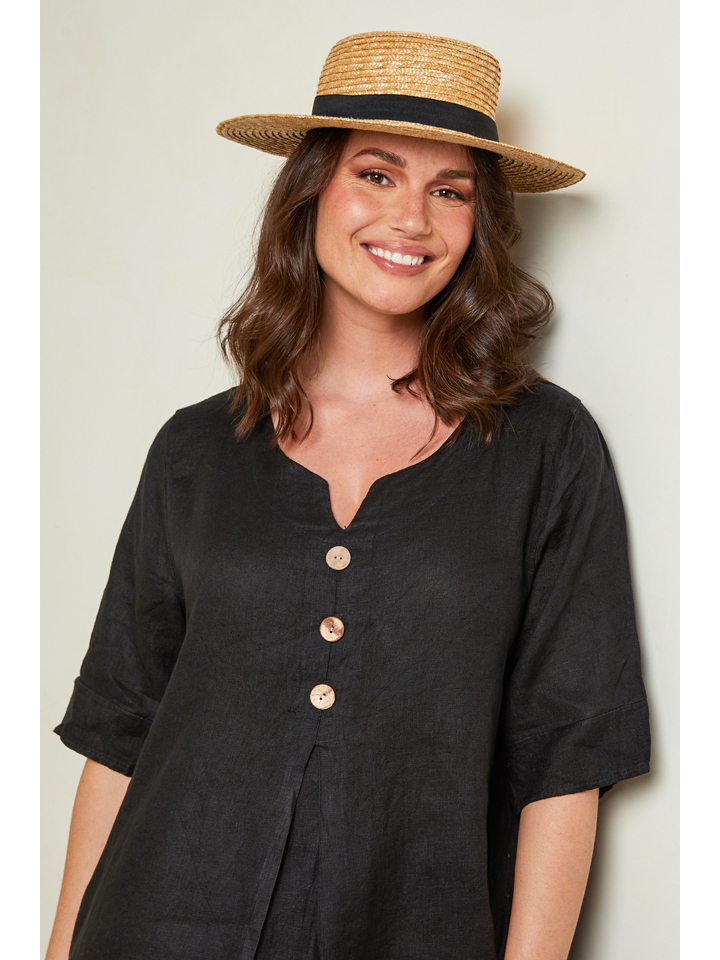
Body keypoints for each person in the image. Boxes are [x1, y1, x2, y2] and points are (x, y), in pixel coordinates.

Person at [46, 31, 650, 960]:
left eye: (449, 191)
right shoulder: (196, 451)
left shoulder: (544, 447)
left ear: (479, 224)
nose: (411, 218)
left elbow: (566, 752)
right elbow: (120, 734)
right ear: (312, 193)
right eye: (376, 174)